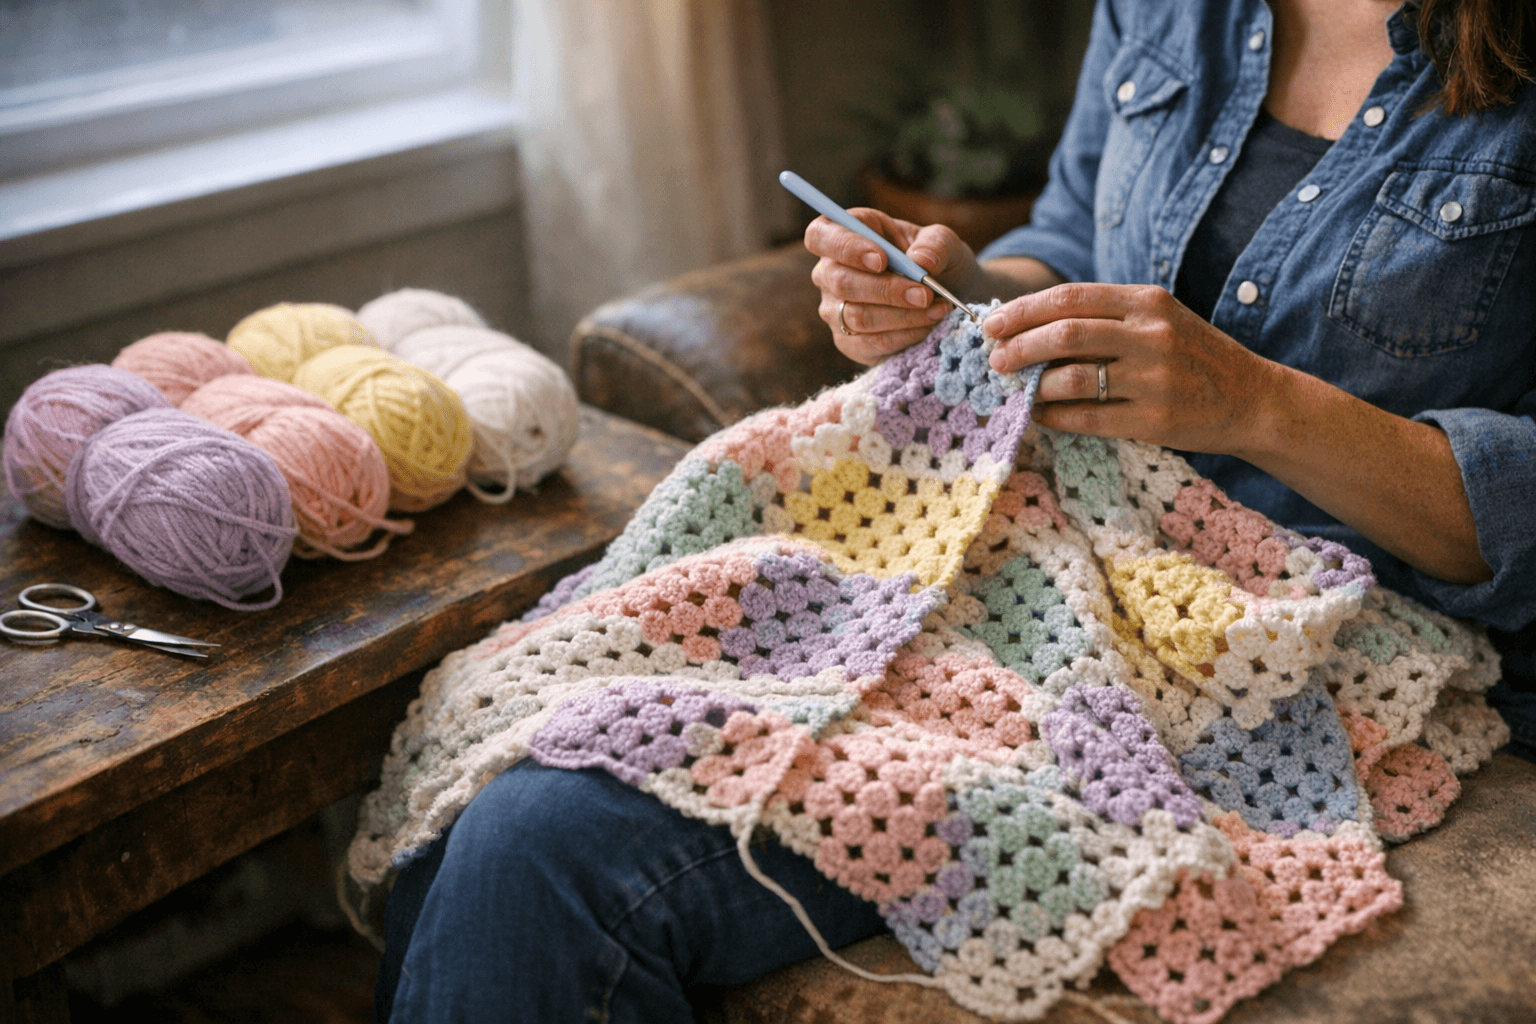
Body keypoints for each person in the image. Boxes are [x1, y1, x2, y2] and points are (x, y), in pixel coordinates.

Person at [377, 1, 1536, 1020]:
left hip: (1309, 645)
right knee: (510, 744)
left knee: (538, 852)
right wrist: (963, 294)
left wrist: (1258, 406)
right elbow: (1072, 240)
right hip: (1048, 549)